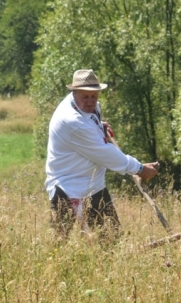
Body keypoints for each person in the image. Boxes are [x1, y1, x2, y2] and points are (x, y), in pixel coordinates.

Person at [45, 69, 160, 241]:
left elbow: (89, 125)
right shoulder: (72, 121)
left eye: (94, 95)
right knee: (58, 246)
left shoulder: (82, 106)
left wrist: (98, 126)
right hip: (68, 188)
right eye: (85, 96)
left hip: (94, 185)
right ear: (74, 92)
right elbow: (106, 154)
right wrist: (140, 169)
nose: (90, 101)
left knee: (111, 241)